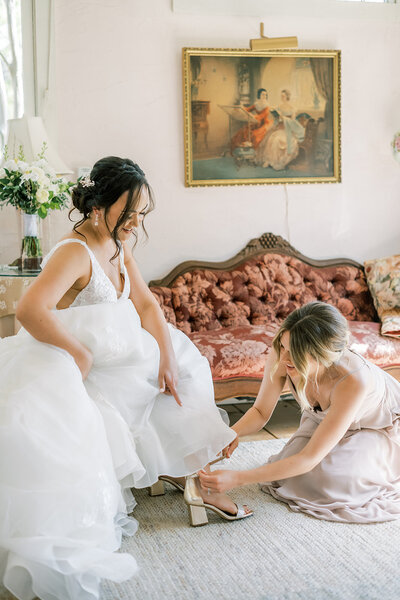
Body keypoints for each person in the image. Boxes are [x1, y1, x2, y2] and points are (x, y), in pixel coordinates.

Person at [0, 157, 250, 600]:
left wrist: (167, 358)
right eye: (129, 210)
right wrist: (77, 352)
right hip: (90, 361)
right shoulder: (73, 252)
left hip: (125, 352)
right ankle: (191, 476)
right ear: (99, 205)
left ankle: (196, 474)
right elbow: (29, 310)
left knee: (186, 368)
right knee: (159, 390)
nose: (136, 221)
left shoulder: (118, 244)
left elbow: (148, 305)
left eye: (142, 211)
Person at [199, 301, 400, 523]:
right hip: (323, 419)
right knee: (293, 476)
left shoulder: (353, 380)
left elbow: (309, 458)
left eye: (294, 352)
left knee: (333, 483)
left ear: (322, 354)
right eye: (284, 346)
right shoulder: (282, 354)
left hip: (376, 426)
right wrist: (231, 434)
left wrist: (239, 479)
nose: (284, 358)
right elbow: (260, 411)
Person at [257, 89, 305, 171]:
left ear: (287, 97)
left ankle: (277, 162)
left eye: (283, 96)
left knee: (277, 140)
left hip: (288, 130)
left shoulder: (292, 108)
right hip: (280, 128)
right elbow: (277, 121)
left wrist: (284, 118)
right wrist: (277, 118)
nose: (282, 97)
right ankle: (269, 160)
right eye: (281, 96)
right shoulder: (279, 107)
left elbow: (292, 122)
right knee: (271, 138)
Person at [230, 88, 273, 154]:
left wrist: (252, 116)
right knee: (243, 132)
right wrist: (241, 108)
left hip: (264, 124)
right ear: (259, 95)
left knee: (255, 136)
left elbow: (261, 116)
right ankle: (243, 152)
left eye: (265, 95)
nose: (264, 96)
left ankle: (254, 154)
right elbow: (248, 109)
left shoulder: (267, 106)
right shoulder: (257, 104)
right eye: (263, 94)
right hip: (256, 123)